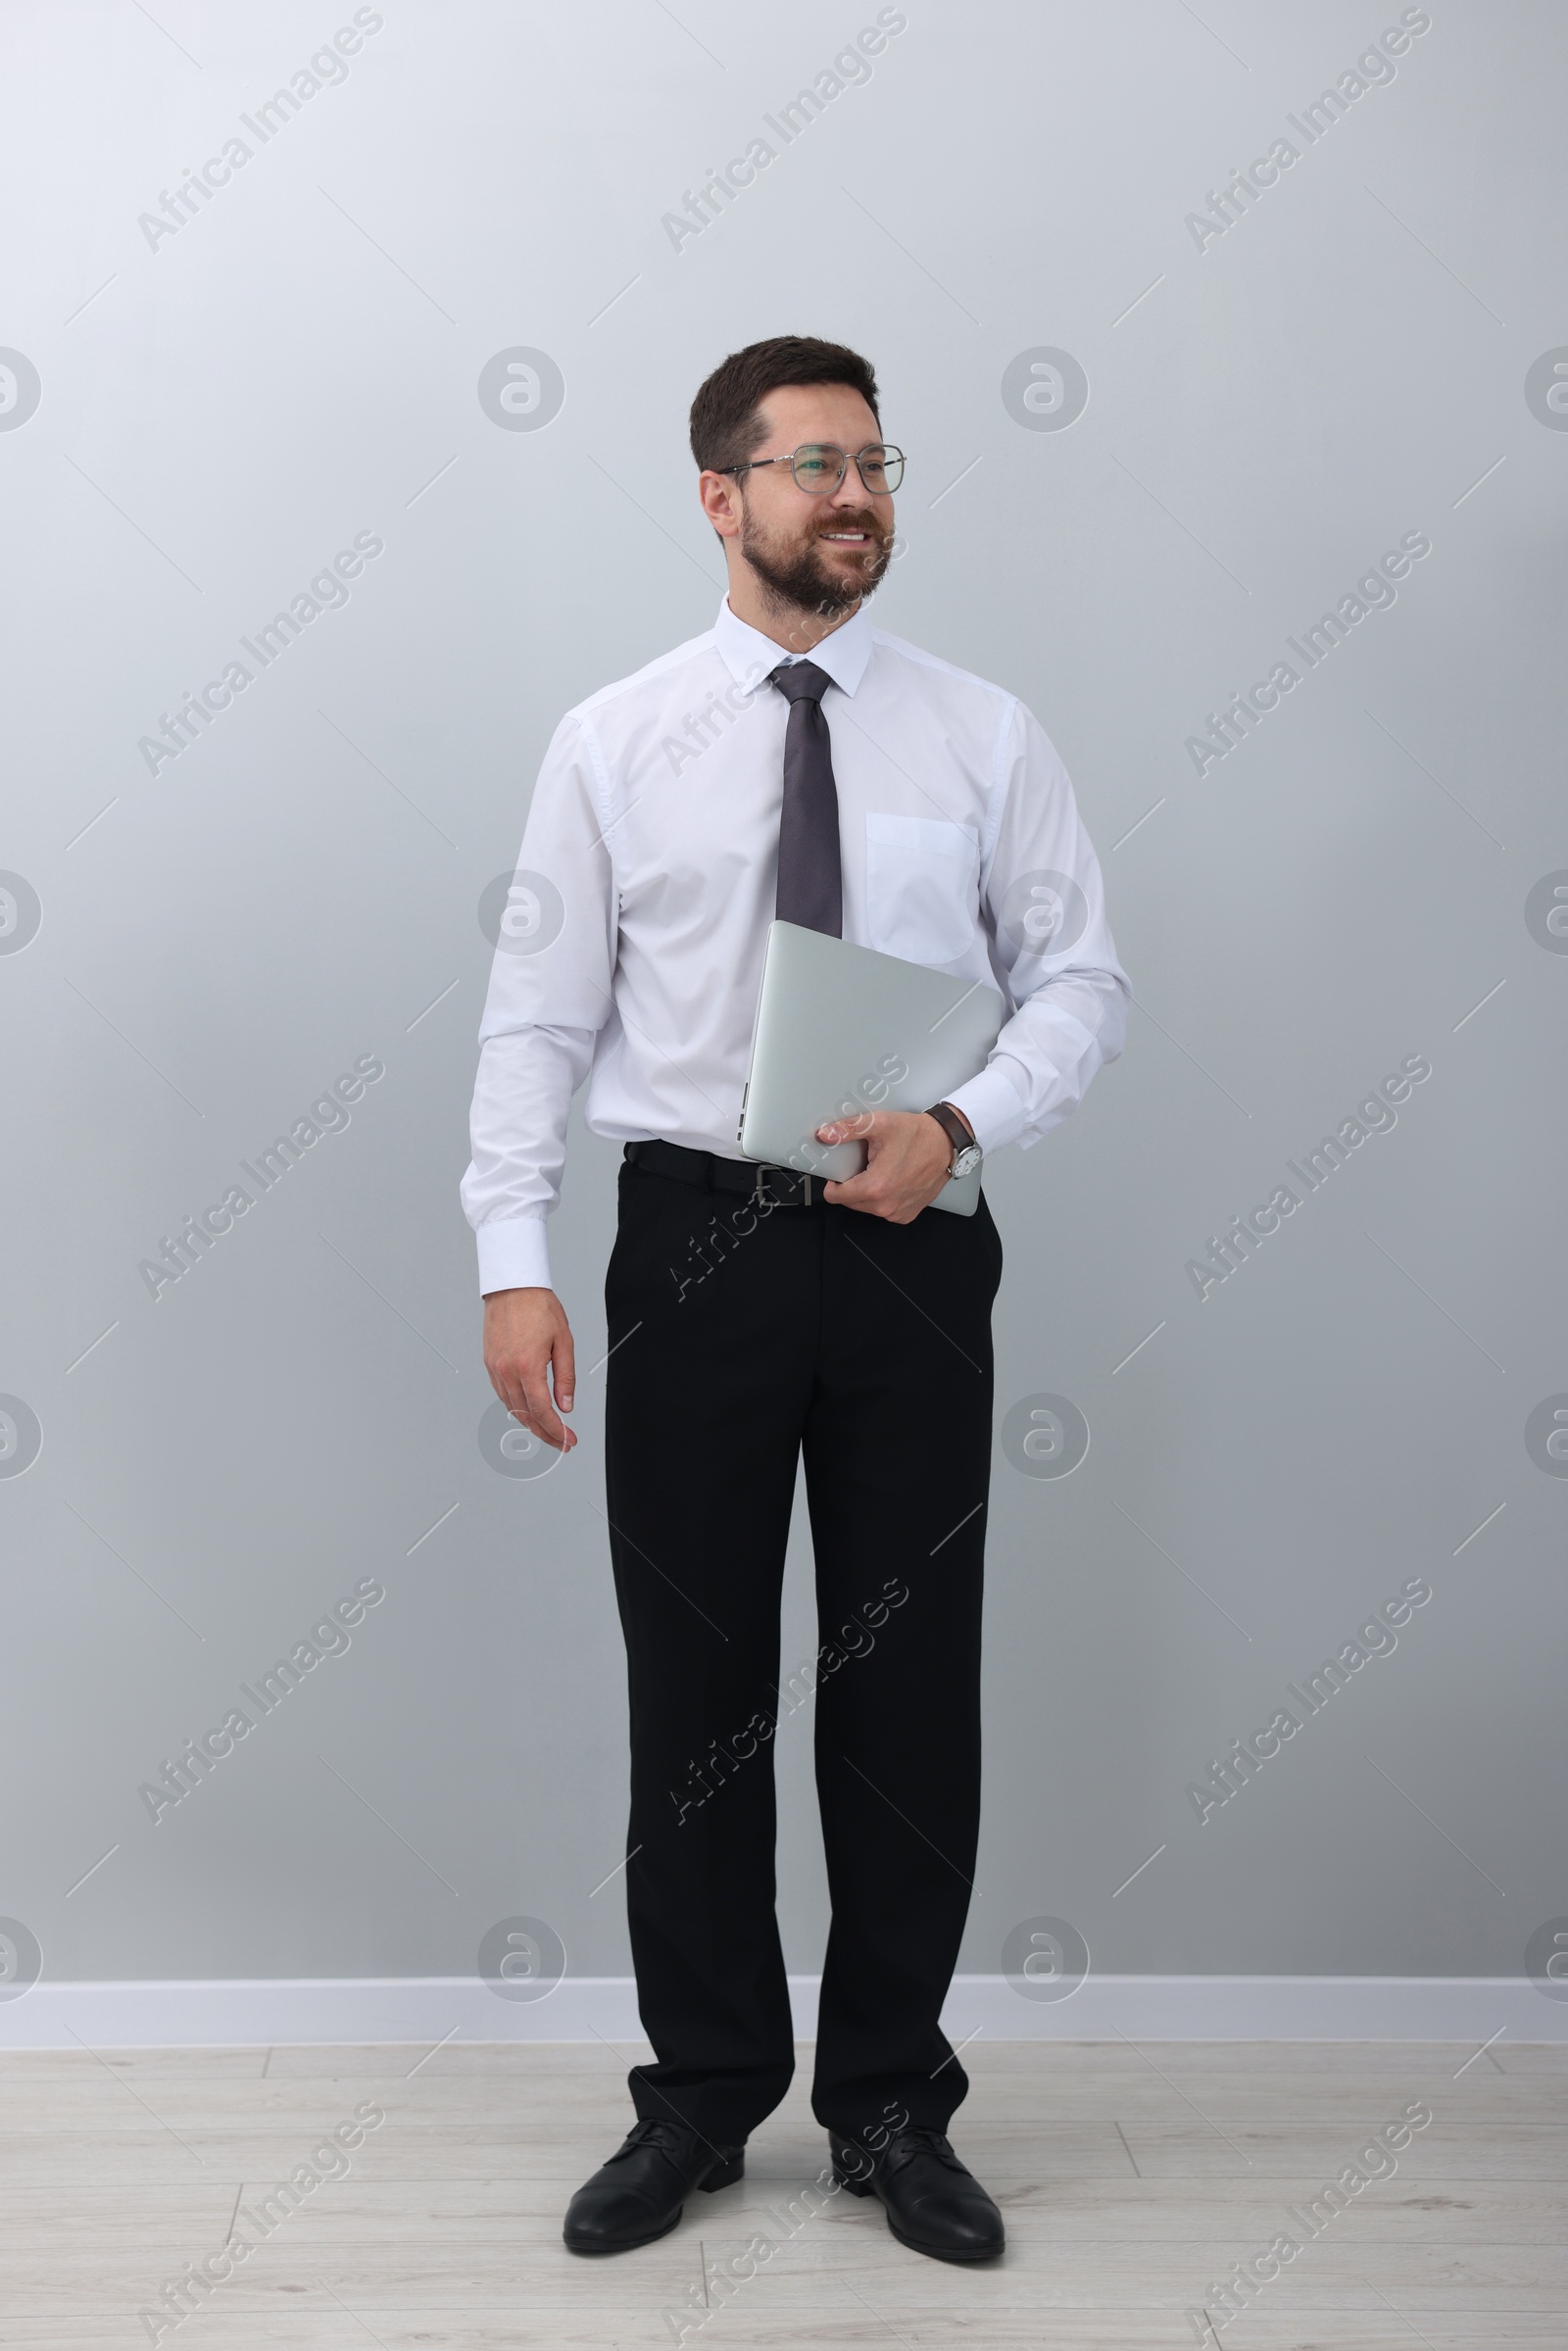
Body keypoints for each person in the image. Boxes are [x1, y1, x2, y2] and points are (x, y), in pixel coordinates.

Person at [463, 334, 1128, 2265]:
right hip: (694, 1244)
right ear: (718, 496)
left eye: (875, 462)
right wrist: (514, 1265)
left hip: (914, 1246)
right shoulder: (612, 741)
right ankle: (698, 2098)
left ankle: (892, 2104)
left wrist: (963, 1120)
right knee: (695, 1694)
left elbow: (1080, 979)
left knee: (904, 1686)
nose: (856, 494)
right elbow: (536, 1017)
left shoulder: (980, 734)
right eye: (813, 463)